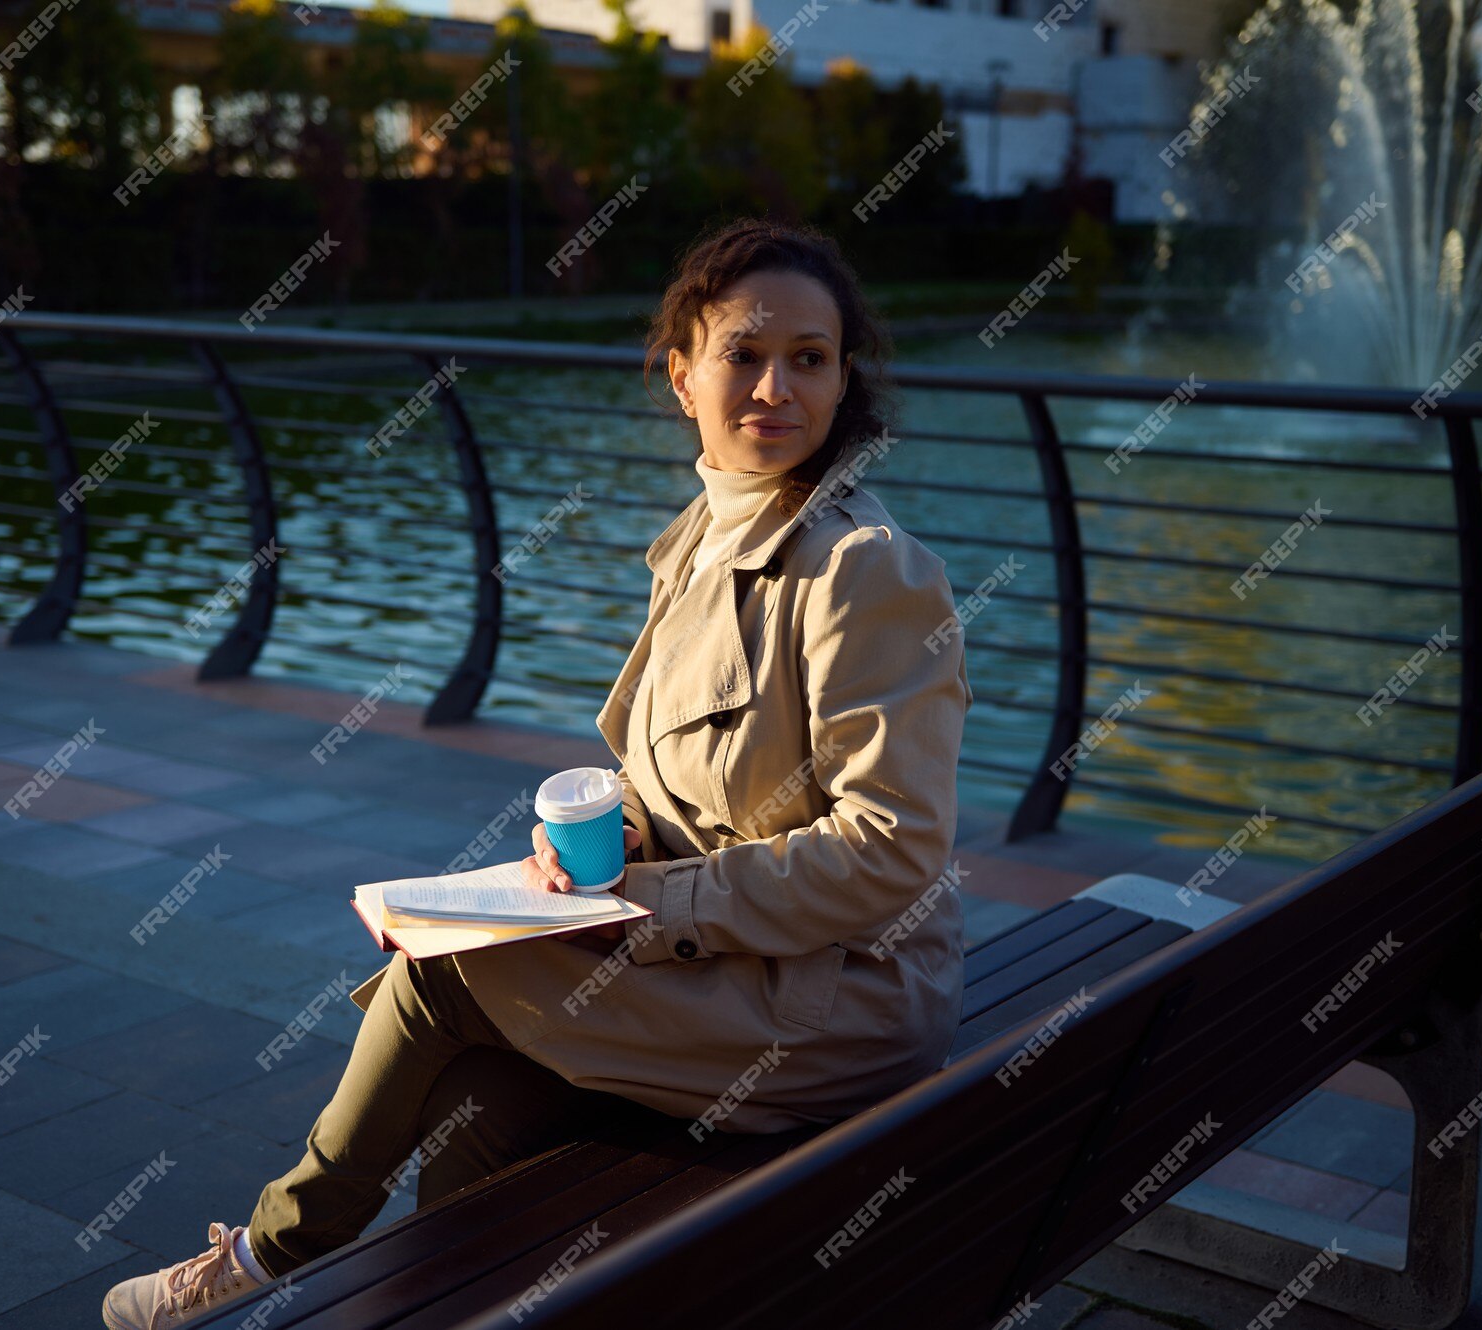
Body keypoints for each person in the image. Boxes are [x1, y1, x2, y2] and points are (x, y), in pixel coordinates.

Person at [101, 216, 973, 1328]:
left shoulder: (861, 570)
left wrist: (639, 905)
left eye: (809, 357)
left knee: (440, 972)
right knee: (478, 1095)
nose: (775, 386)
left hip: (840, 1000)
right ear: (680, 376)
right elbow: (694, 801)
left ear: (843, 378)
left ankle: (274, 1252)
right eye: (742, 354)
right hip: (730, 966)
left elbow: (888, 848)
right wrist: (583, 868)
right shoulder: (700, 542)